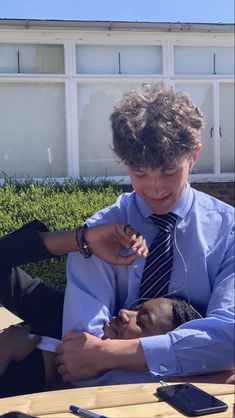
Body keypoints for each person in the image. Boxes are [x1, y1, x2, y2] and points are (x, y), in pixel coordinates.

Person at [54, 86, 234, 385]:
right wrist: (211, 374)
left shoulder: (228, 230)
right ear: (126, 165)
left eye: (168, 171)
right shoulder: (98, 233)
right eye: (140, 173)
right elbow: (79, 356)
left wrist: (109, 355)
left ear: (194, 155)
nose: (155, 188)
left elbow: (230, 336)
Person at [0, 296, 202, 396]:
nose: (124, 312)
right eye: (135, 309)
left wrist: (5, 349)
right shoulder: (67, 321)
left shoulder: (136, 389)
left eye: (140, 322)